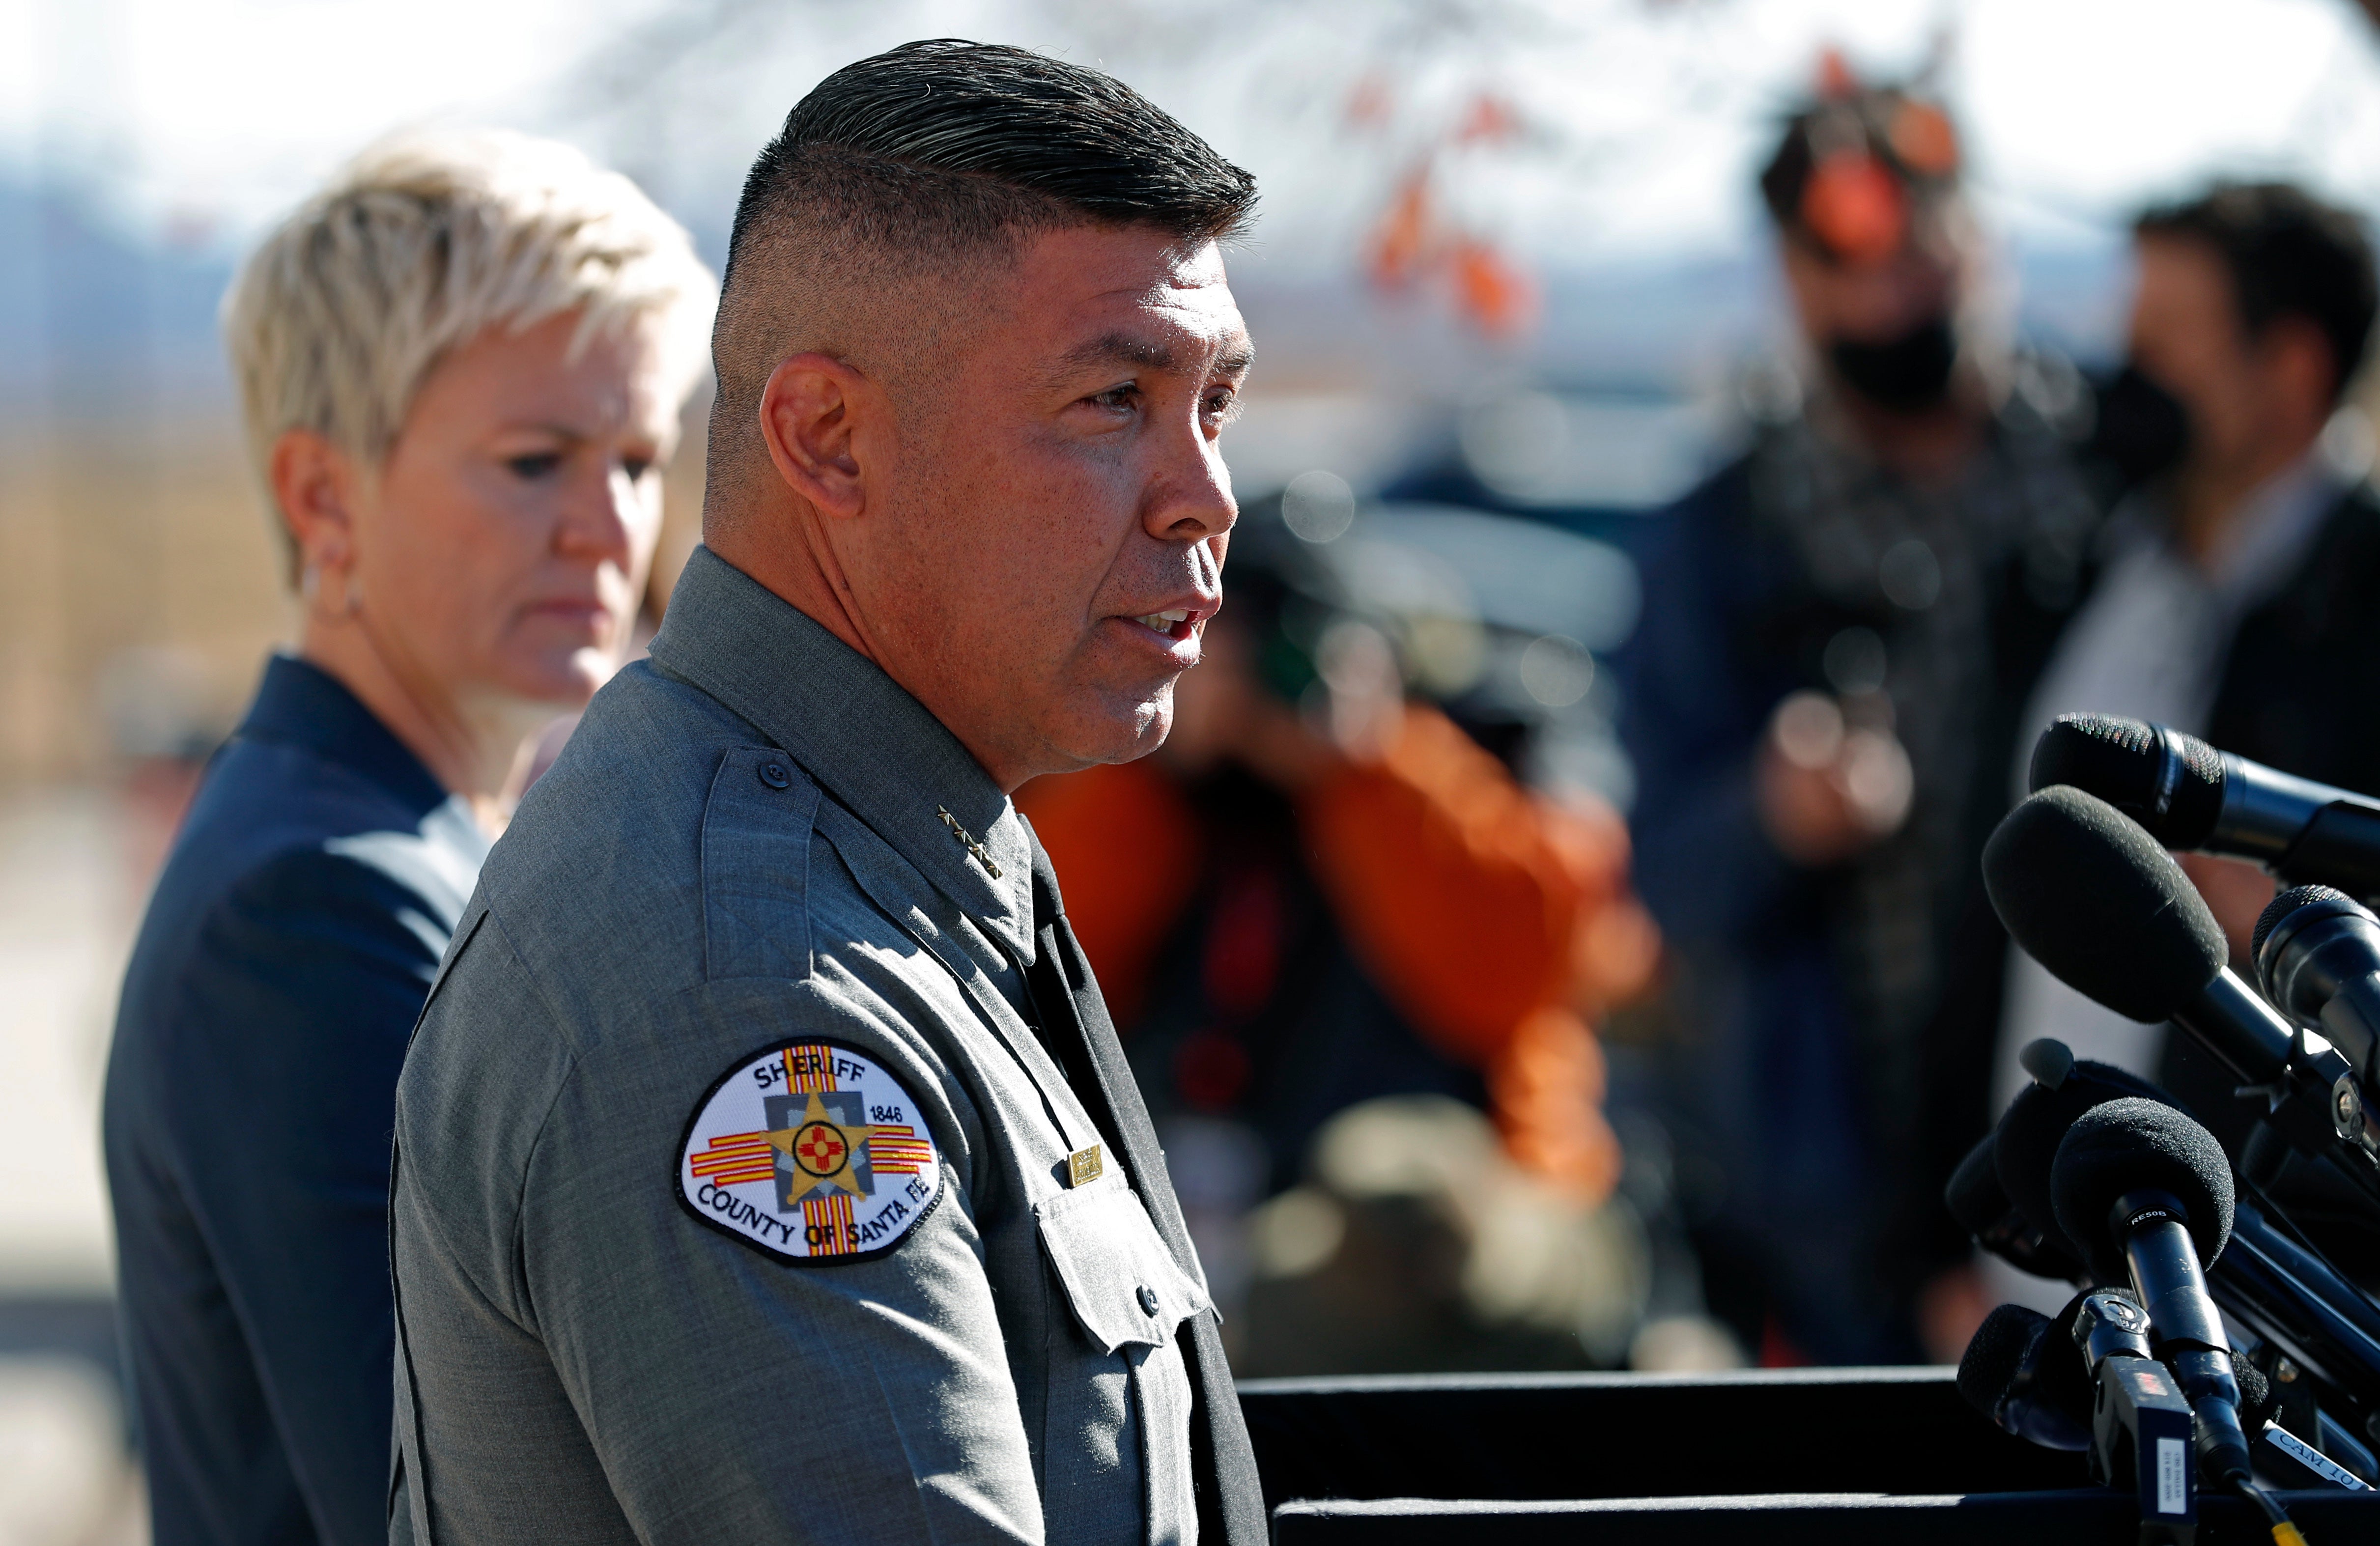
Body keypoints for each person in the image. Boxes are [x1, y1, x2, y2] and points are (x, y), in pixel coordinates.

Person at [388, 42, 1267, 1544]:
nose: (1203, 495)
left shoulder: (901, 843)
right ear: (826, 439)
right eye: (1114, 398)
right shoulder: (748, 984)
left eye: (1215, 405)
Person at [101, 132, 711, 1546]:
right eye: (533, 459)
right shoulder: (320, 906)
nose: (607, 526)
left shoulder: (399, 840)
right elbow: (458, 1502)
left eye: (633, 457)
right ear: (324, 498)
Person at [1618, 74, 2099, 1365]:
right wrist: (1769, 816)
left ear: (1971, 233)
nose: (1888, 286)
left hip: (2106, 1138)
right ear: (1790, 274)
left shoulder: (2107, 475)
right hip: (1844, 1201)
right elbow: (1660, 877)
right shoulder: (1724, 537)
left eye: (1915, 241)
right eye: (1845, 257)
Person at [1018, 513, 1655, 1339]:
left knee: (1390, 1190)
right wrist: (1147, 749)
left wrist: (1366, 762)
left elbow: (1515, 974)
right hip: (1227, 1206)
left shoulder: (1467, 752)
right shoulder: (1157, 797)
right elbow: (1041, 967)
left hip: (1489, 1210)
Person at [2003, 182, 2380, 1144]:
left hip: (2259, 1265)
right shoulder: (2088, 558)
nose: (2132, 373)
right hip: (2038, 1230)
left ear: (2290, 368)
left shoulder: (2363, 604)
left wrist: (2293, 936)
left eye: (2168, 336)